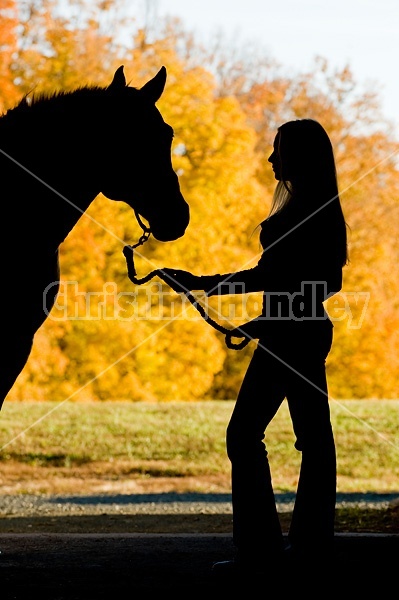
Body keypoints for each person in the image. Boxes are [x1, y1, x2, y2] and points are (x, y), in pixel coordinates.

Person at [161, 118, 348, 574]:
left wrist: (251, 314)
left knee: (248, 435)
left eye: (277, 149)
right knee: (309, 439)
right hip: (297, 334)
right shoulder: (315, 208)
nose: (270, 158)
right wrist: (205, 287)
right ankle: (305, 549)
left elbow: (297, 281)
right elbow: (284, 279)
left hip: (292, 337)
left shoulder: (308, 212)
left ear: (297, 156)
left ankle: (264, 553)